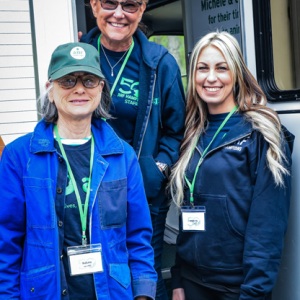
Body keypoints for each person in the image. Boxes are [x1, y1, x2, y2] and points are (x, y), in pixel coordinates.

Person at [0, 42, 157, 299]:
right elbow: (6, 242)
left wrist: (143, 293)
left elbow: (138, 236)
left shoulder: (122, 155)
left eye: (89, 80)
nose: (80, 89)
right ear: (50, 90)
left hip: (112, 292)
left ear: (101, 88)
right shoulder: (19, 156)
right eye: (68, 81)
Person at [168, 31, 294, 300]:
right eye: (202, 68)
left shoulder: (262, 135)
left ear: (236, 73)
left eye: (221, 68)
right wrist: (178, 278)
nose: (210, 78)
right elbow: (188, 210)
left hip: (238, 288)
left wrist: (253, 293)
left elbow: (267, 228)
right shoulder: (192, 131)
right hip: (191, 283)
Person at [80, 1, 186, 299]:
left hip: (143, 191)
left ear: (141, 10)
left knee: (144, 270)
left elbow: (178, 130)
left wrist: (157, 169)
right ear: (94, 5)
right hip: (87, 190)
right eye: (110, 3)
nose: (119, 13)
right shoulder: (79, 56)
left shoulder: (159, 62)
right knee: (95, 272)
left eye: (129, 5)